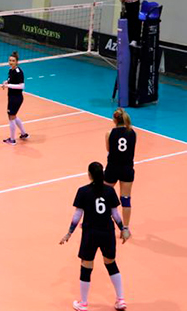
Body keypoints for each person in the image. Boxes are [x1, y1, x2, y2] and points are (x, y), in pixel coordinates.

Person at [60, 162, 131, 311]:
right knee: (111, 263)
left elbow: (77, 215)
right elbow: (115, 214)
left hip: (90, 233)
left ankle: (83, 303)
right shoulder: (110, 191)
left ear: (89, 175)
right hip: (107, 232)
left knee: (86, 266)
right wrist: (123, 228)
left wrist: (69, 233)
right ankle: (121, 300)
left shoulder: (83, 191)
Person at [105, 108, 137, 229]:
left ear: (114, 120)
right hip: (127, 169)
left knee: (103, 194)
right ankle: (126, 228)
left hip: (112, 168)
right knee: (125, 199)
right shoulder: (133, 133)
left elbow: (109, 149)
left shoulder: (109, 133)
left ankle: (100, 220)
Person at [1, 51, 28, 145]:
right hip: (12, 96)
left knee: (11, 117)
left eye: (13, 61)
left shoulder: (18, 72)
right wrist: (6, 82)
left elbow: (22, 86)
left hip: (16, 98)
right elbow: (10, 80)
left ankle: (12, 140)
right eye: (10, 60)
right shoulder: (11, 70)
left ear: (17, 62)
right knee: (13, 116)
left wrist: (8, 85)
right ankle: (24, 134)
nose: (11, 62)